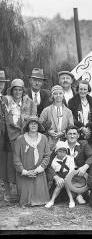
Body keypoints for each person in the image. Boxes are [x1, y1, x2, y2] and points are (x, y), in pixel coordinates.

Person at [3, 78, 37, 201]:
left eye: (20, 90)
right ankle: (9, 192)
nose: (18, 92)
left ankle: (24, 191)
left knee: (25, 163)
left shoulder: (29, 102)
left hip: (25, 137)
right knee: (10, 164)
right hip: (9, 138)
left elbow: (34, 119)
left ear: (23, 91)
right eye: (15, 90)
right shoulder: (6, 101)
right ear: (11, 91)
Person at [46, 125, 92, 204]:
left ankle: (79, 194)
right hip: (62, 176)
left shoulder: (83, 144)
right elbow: (49, 164)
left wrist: (85, 166)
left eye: (74, 134)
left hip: (78, 174)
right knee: (57, 197)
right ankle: (75, 195)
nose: (72, 136)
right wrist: (56, 177)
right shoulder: (60, 145)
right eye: (70, 134)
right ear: (65, 135)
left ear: (78, 135)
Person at [13, 116, 50, 207]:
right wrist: (25, 172)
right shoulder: (20, 139)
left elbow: (47, 155)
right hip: (25, 174)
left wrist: (39, 169)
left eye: (35, 123)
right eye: (31, 123)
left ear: (38, 125)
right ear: (27, 125)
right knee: (26, 201)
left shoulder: (44, 138)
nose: (33, 125)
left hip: (39, 172)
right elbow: (16, 158)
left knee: (41, 200)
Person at [39, 85, 74, 150]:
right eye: (55, 93)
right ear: (52, 96)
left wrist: (63, 133)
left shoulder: (68, 111)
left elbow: (71, 126)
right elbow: (40, 124)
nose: (58, 95)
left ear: (63, 95)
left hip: (64, 141)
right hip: (49, 141)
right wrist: (49, 131)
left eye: (60, 93)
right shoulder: (46, 110)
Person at [45, 141, 76, 208]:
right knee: (60, 184)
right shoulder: (54, 161)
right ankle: (52, 201)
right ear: (56, 151)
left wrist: (67, 178)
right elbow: (54, 171)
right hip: (59, 176)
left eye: (64, 152)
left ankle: (71, 200)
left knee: (67, 183)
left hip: (69, 175)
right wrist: (58, 178)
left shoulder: (70, 158)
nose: (62, 153)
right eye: (60, 151)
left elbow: (72, 169)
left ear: (66, 152)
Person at [0, 70, 13, 202]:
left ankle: (7, 191)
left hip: (4, 137)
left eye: (2, 83)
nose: (0, 85)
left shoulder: (4, 99)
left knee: (4, 164)